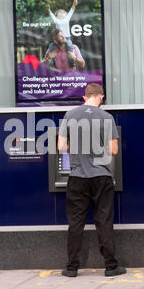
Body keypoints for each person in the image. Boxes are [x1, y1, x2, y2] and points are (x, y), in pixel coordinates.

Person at [57, 83, 126, 277]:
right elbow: (113, 150)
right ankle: (111, 267)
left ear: (84, 97)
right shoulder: (107, 117)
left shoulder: (70, 115)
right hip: (101, 177)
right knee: (103, 221)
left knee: (76, 222)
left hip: (77, 177)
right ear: (101, 97)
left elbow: (61, 146)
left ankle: (71, 268)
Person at [45, 0, 78, 67]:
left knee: (69, 46)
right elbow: (51, 15)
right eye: (59, 12)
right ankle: (52, 62)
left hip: (66, 38)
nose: (61, 13)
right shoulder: (56, 20)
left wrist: (74, 4)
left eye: (63, 12)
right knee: (51, 46)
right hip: (57, 39)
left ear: (65, 14)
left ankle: (71, 62)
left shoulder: (67, 19)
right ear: (56, 15)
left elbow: (71, 11)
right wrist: (48, 9)